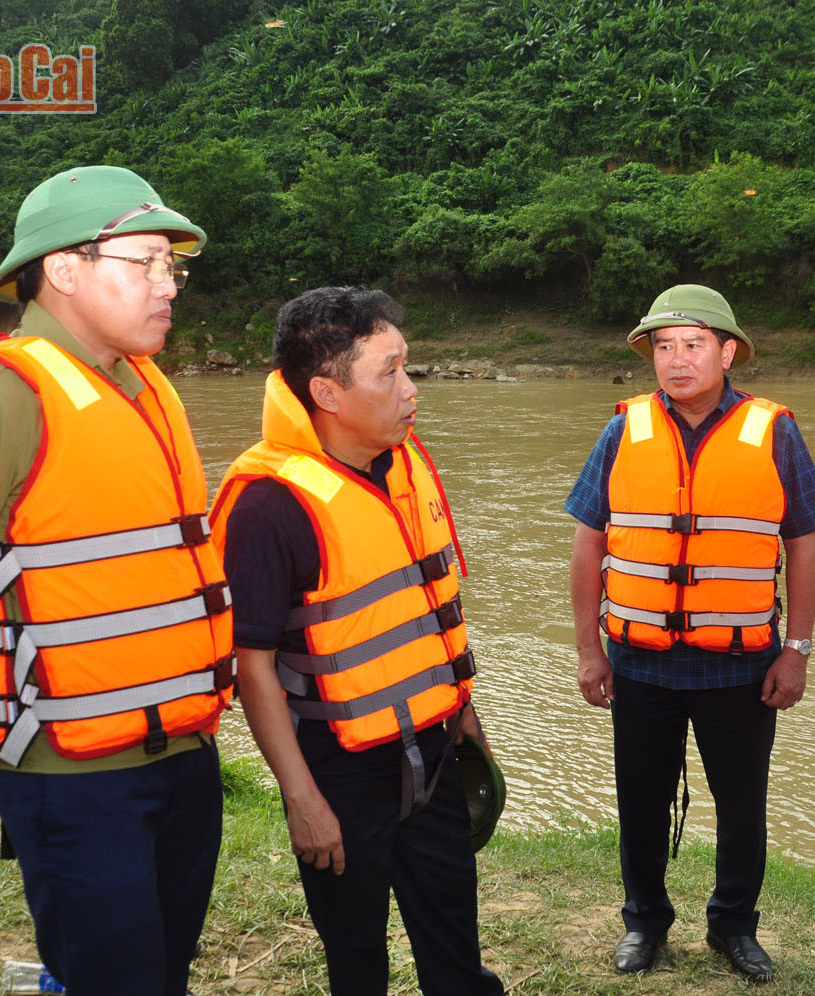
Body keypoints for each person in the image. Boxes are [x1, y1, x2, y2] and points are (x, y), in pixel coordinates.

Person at [0, 166, 234, 996]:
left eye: (172, 266)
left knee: (162, 972)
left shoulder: (146, 388)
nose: (167, 284)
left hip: (182, 755)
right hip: (70, 778)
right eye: (144, 263)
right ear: (64, 269)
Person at [209, 286, 503, 996]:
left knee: (455, 948)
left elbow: (428, 608)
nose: (410, 390)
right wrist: (301, 798)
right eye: (390, 372)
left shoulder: (402, 465)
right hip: (337, 770)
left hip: (431, 751)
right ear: (327, 393)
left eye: (409, 368)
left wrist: (465, 715)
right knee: (357, 961)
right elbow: (251, 665)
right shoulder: (269, 504)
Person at [566, 284, 815, 982]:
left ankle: (733, 926)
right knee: (640, 803)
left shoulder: (774, 430)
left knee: (743, 807)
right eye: (663, 346)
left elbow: (804, 542)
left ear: (727, 351)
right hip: (639, 661)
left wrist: (797, 651)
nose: (676, 360)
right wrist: (588, 649)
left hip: (740, 665)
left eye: (692, 344)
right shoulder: (622, 428)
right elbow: (588, 544)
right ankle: (645, 924)